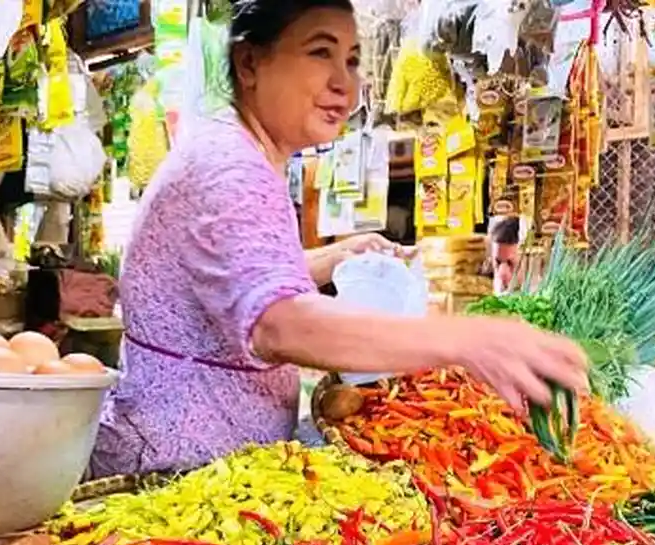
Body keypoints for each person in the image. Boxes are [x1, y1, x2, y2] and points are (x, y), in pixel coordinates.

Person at [90, 0, 587, 478]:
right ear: (249, 63)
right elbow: (278, 325)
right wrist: (462, 338)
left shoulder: (237, 147)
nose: (342, 85)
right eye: (319, 52)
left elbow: (227, 280)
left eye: (351, 60)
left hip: (204, 457)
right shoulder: (230, 166)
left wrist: (335, 257)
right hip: (175, 472)